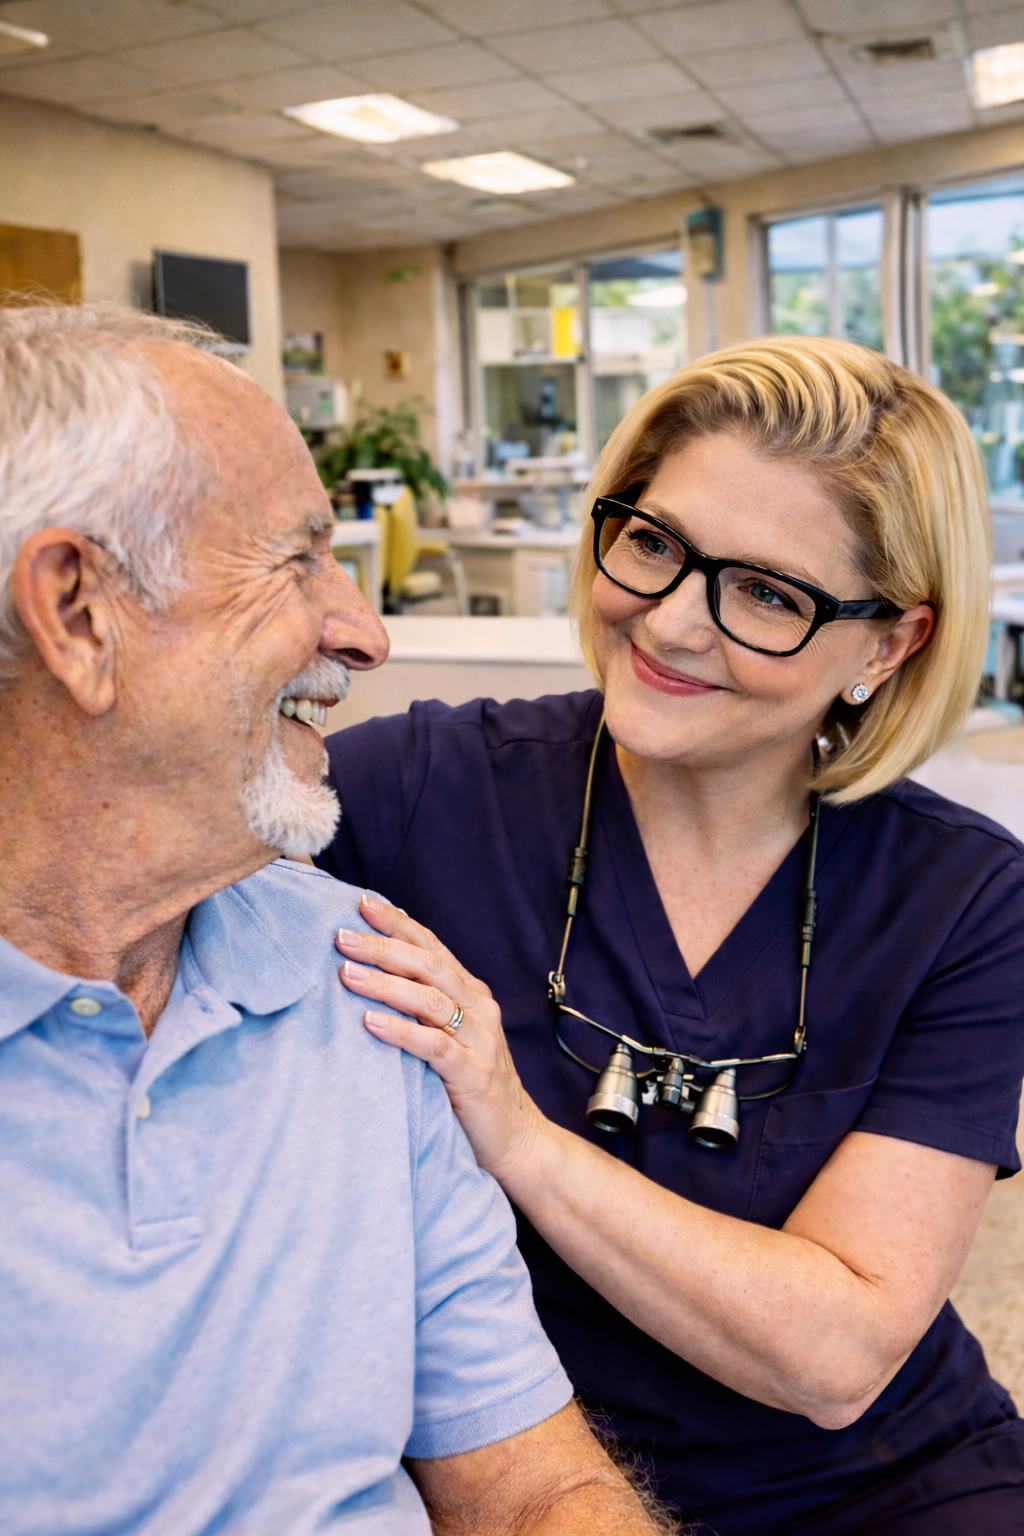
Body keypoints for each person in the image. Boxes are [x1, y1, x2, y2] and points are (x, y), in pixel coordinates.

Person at [317, 337, 1024, 1535]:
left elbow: (836, 1354)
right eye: (652, 543)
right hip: (527, 1466)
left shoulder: (963, 897)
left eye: (767, 594)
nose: (671, 625)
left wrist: (518, 1133)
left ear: (889, 644)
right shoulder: (415, 791)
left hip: (880, 1477)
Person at [0, 302, 663, 1536]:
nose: (365, 631)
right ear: (78, 612)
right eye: (297, 562)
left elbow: (530, 1484)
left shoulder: (359, 961)